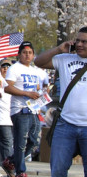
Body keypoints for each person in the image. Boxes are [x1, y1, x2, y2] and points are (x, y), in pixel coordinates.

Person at [34, 27, 87, 177]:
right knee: (57, 171)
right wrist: (58, 49)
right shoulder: (64, 59)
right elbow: (39, 61)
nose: (80, 44)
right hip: (65, 124)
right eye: (78, 40)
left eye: (84, 41)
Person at [1, 41, 48, 177]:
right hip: (20, 109)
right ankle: (20, 171)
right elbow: (7, 87)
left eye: (30, 53)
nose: (27, 55)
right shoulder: (14, 69)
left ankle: (11, 161)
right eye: (24, 53)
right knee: (20, 142)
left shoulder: (35, 71)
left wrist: (44, 92)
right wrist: (26, 94)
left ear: (33, 55)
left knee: (33, 141)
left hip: (33, 109)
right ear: (19, 54)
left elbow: (40, 88)